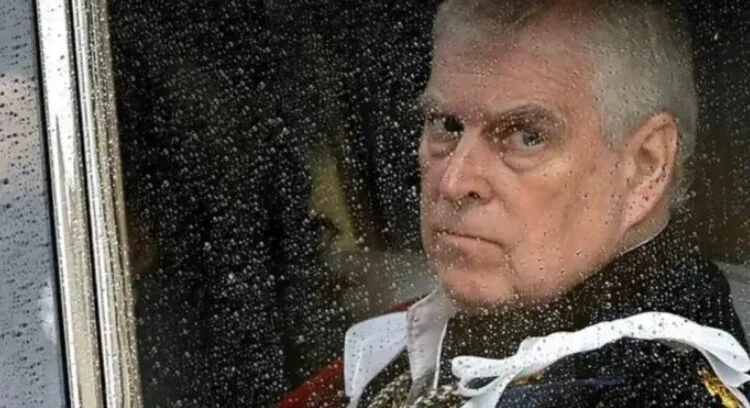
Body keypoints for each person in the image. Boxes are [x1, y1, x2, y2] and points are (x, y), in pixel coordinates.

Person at [278, 0, 750, 407]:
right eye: (447, 126)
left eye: (526, 136)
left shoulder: (655, 388)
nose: (454, 182)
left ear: (645, 166)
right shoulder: (419, 340)